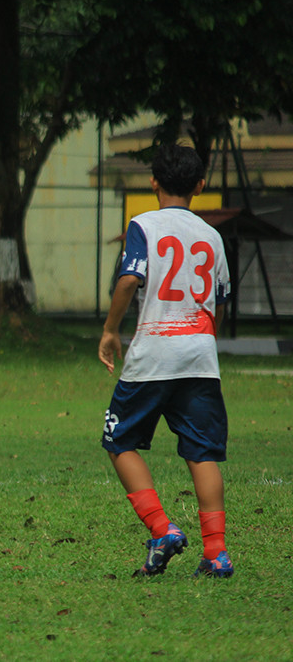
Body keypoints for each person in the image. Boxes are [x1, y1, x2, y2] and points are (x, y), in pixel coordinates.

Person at [99, 143, 233, 578]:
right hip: (199, 356)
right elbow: (222, 299)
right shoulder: (212, 236)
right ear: (200, 185)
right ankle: (216, 553)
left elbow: (128, 280)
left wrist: (109, 330)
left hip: (155, 352)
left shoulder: (143, 225)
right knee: (202, 452)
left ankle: (161, 530)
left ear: (153, 181)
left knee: (119, 441)